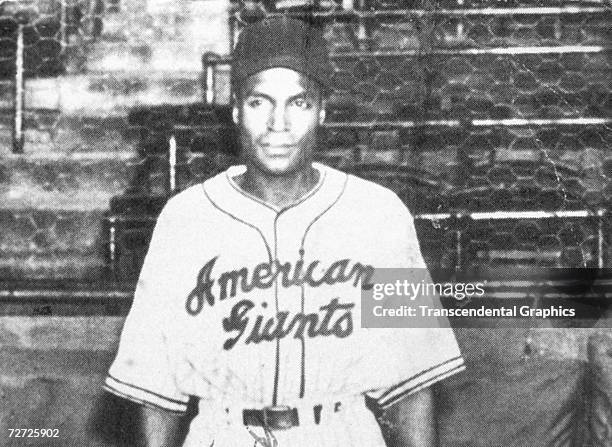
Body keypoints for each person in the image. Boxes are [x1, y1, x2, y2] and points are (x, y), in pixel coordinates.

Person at [103, 16, 465, 447]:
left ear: (322, 110)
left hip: (339, 431)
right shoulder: (185, 220)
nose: (279, 123)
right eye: (260, 102)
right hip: (225, 431)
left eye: (298, 102)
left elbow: (413, 384)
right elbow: (155, 387)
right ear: (236, 109)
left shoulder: (378, 214)